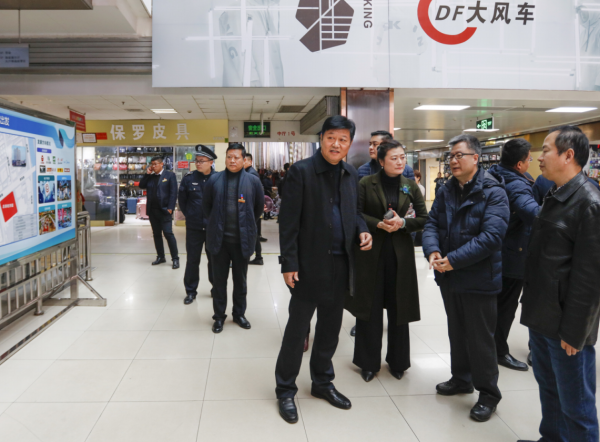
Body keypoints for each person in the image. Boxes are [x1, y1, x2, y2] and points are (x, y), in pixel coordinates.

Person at [275, 116, 372, 424]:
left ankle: (322, 382)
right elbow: (288, 221)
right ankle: (285, 389)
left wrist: (362, 230)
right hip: (308, 265)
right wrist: (289, 262)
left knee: (330, 328)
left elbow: (355, 211)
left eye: (343, 139)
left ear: (349, 144)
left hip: (341, 263)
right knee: (297, 330)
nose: (336, 144)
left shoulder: (350, 173)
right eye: (331, 137)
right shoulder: (301, 172)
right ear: (321, 139)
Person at [518, 126, 600, 442]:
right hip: (542, 315)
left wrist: (575, 331)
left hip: (566, 325)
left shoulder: (589, 202)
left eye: (546, 150)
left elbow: (590, 278)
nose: (539, 157)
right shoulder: (555, 194)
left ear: (568, 155)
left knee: (576, 405)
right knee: (549, 389)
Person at [422, 134, 509, 423]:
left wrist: (453, 260)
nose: (454, 161)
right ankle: (461, 378)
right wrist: (433, 250)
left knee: (480, 339)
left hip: (479, 278)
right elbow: (432, 223)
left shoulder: (493, 192)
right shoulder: (447, 189)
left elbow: (491, 237)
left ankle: (488, 394)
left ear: (476, 158)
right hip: (449, 277)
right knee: (457, 331)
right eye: (451, 156)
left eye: (459, 155)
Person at [346, 140, 427, 383]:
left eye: (402, 157)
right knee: (369, 307)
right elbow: (356, 213)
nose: (400, 162)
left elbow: (424, 218)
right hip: (371, 252)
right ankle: (367, 362)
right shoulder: (365, 183)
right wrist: (378, 224)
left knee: (399, 307)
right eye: (394, 158)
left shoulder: (410, 185)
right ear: (381, 161)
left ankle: (398, 361)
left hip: (400, 254)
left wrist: (403, 223)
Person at [487, 139, 539, 372]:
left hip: (496, 251)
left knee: (495, 304)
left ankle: (489, 347)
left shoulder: (493, 173)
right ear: (519, 164)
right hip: (512, 255)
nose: (532, 162)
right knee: (506, 306)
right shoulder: (517, 184)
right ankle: (498, 351)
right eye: (529, 159)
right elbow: (533, 214)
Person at [203, 143, 265, 333]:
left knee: (241, 281)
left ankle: (239, 314)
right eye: (229, 157)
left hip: (241, 241)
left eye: (236, 157)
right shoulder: (214, 180)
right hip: (219, 241)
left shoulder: (253, 181)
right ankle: (219, 317)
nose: (232, 160)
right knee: (219, 282)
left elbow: (258, 208)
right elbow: (207, 207)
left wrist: (246, 224)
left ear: (244, 160)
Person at [178, 145, 217, 305]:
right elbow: (183, 201)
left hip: (213, 227)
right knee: (192, 260)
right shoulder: (189, 178)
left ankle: (216, 288)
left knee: (214, 260)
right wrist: (191, 215)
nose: (198, 164)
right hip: (194, 227)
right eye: (197, 161)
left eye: (202, 161)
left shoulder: (219, 179)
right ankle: (190, 291)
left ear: (211, 162)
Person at [139, 156, 180, 269]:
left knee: (168, 233)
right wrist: (147, 174)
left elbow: (173, 193)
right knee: (156, 234)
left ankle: (175, 258)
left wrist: (170, 208)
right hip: (153, 211)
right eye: (152, 164)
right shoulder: (151, 177)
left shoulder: (170, 175)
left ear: (162, 164)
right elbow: (141, 185)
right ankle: (161, 256)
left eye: (155, 164)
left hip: (165, 210)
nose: (153, 166)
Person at [245, 153, 266, 265]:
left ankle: (254, 257)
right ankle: (258, 257)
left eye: (244, 160)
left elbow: (253, 194)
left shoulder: (251, 174)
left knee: (252, 233)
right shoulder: (249, 172)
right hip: (252, 209)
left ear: (250, 161)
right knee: (254, 233)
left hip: (252, 209)